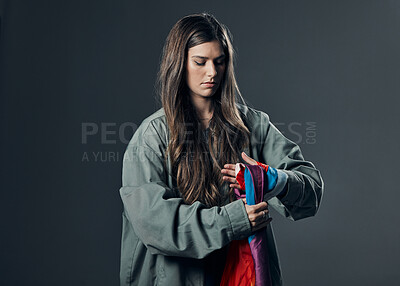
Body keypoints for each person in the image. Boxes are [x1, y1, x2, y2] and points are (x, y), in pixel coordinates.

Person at [119, 12, 324, 286]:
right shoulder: (152, 135)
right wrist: (233, 219)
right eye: (200, 62)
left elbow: (311, 190)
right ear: (179, 64)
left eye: (220, 62)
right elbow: (155, 224)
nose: (212, 72)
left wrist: (272, 179)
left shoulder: (253, 125)